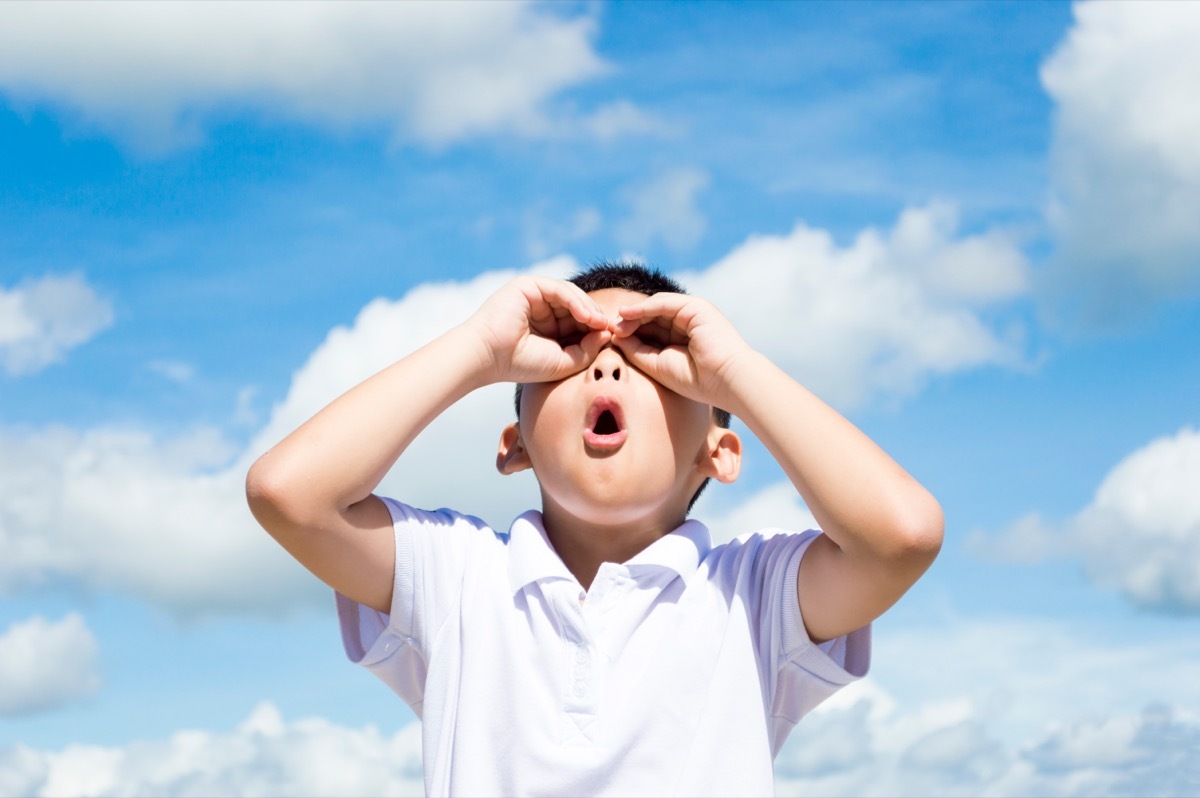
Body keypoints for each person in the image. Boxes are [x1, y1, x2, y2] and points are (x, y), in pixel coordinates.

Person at [246, 261, 943, 796]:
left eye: (655, 361)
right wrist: (479, 350)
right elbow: (290, 493)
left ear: (720, 453)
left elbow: (902, 535)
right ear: (514, 446)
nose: (608, 361)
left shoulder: (753, 598)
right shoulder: (457, 577)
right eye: (570, 352)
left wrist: (733, 370)